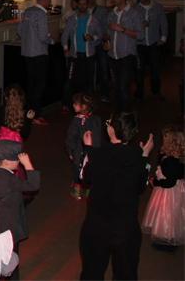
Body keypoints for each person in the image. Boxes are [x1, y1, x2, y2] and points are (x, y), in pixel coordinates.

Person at [78, 111, 155, 280]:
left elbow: (84, 178)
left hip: (97, 227)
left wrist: (88, 149)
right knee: (126, 274)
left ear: (111, 130)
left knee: (92, 272)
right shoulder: (137, 157)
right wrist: (145, 155)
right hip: (125, 229)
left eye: (108, 123)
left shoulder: (98, 154)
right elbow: (140, 187)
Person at [0, 141, 41, 281]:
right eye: (16, 158)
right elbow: (34, 185)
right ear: (6, 162)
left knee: (0, 258)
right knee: (11, 260)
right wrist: (28, 164)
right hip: (10, 228)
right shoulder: (10, 180)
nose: (19, 160)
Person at [141, 127, 185, 248]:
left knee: (166, 214)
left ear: (170, 144)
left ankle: (165, 239)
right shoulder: (176, 159)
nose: (162, 143)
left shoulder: (170, 162)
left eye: (165, 140)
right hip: (174, 190)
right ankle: (168, 237)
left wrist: (156, 182)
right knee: (173, 214)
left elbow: (169, 182)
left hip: (168, 193)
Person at [17, 0, 53, 126]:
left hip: (27, 53)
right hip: (39, 53)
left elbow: (20, 31)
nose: (49, 2)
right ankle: (36, 114)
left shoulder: (27, 11)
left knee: (31, 84)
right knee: (39, 85)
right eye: (49, 0)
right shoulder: (41, 14)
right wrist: (51, 40)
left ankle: (29, 112)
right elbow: (43, 36)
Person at [60, 0, 101, 110]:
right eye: (80, 4)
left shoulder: (93, 20)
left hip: (89, 55)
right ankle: (67, 104)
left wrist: (92, 37)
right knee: (70, 80)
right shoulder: (72, 19)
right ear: (77, 5)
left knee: (88, 82)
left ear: (87, 5)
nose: (82, 6)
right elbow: (64, 36)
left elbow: (100, 35)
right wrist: (66, 49)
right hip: (74, 55)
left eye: (84, 4)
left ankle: (88, 106)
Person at [106, 0, 143, 113]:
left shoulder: (134, 13)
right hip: (112, 56)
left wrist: (122, 29)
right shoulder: (111, 14)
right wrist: (106, 41)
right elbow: (108, 33)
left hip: (127, 56)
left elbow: (141, 35)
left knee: (123, 87)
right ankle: (119, 114)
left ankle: (126, 115)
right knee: (116, 87)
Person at [64, 93, 101, 200]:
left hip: (79, 153)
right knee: (90, 171)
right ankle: (89, 191)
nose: (73, 105)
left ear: (83, 107)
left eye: (75, 104)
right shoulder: (96, 119)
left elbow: (70, 138)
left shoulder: (76, 121)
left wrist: (70, 151)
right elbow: (98, 137)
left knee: (78, 171)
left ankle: (77, 190)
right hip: (93, 153)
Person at [135, 0, 167, 100]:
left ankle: (156, 91)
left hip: (154, 43)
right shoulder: (135, 9)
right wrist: (141, 25)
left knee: (155, 69)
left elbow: (163, 23)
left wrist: (163, 38)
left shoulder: (158, 7)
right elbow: (131, 25)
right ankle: (139, 93)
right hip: (139, 44)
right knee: (139, 70)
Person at [84, 0, 110, 100]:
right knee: (88, 70)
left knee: (103, 69)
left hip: (99, 43)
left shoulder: (102, 10)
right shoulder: (83, 10)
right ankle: (89, 93)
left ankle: (105, 93)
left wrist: (105, 38)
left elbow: (107, 25)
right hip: (88, 45)